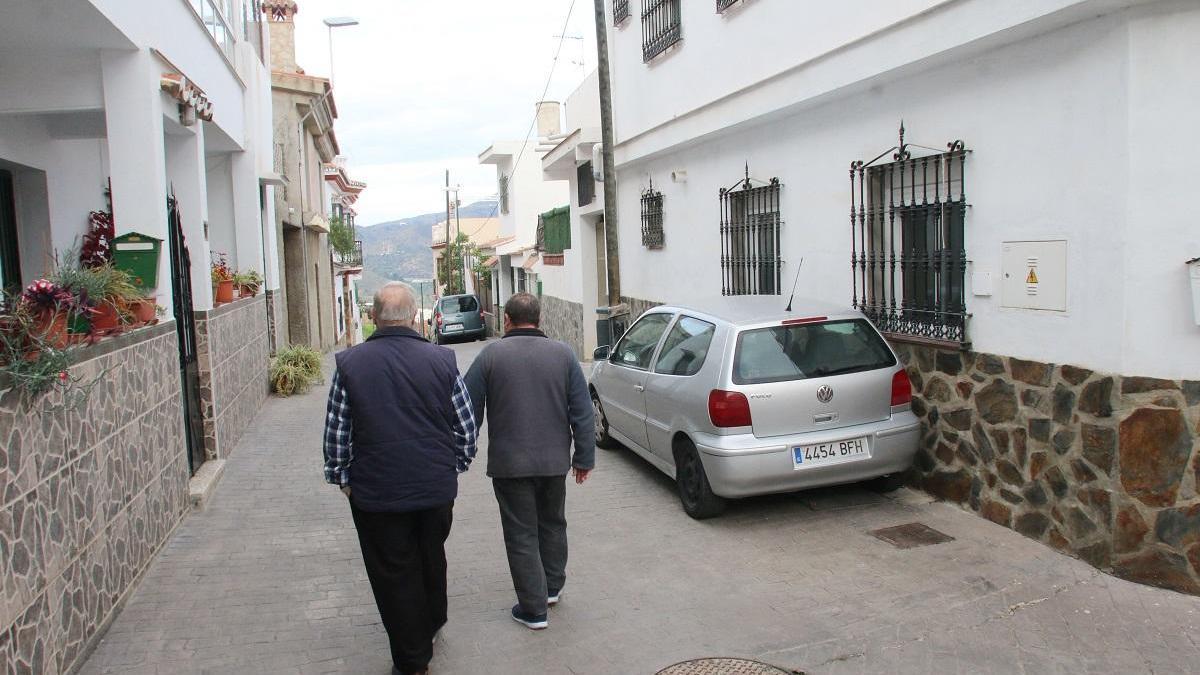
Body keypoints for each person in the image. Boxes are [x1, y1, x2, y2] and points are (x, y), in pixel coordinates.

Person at [323, 282, 477, 675]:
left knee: (394, 571)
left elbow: (337, 433)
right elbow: (465, 426)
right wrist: (454, 465)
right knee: (430, 553)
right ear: (413, 318)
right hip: (435, 489)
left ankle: (412, 660)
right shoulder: (442, 360)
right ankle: (431, 622)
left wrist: (343, 480)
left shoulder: (350, 364)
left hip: (377, 494)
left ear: (373, 317)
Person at [464, 292, 595, 630]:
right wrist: (584, 457)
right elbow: (582, 412)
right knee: (553, 523)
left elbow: (467, 409)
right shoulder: (564, 355)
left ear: (506, 319)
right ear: (539, 319)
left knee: (521, 533)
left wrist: (463, 450)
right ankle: (551, 588)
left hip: (510, 466)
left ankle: (534, 609)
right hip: (554, 463)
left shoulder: (490, 355)